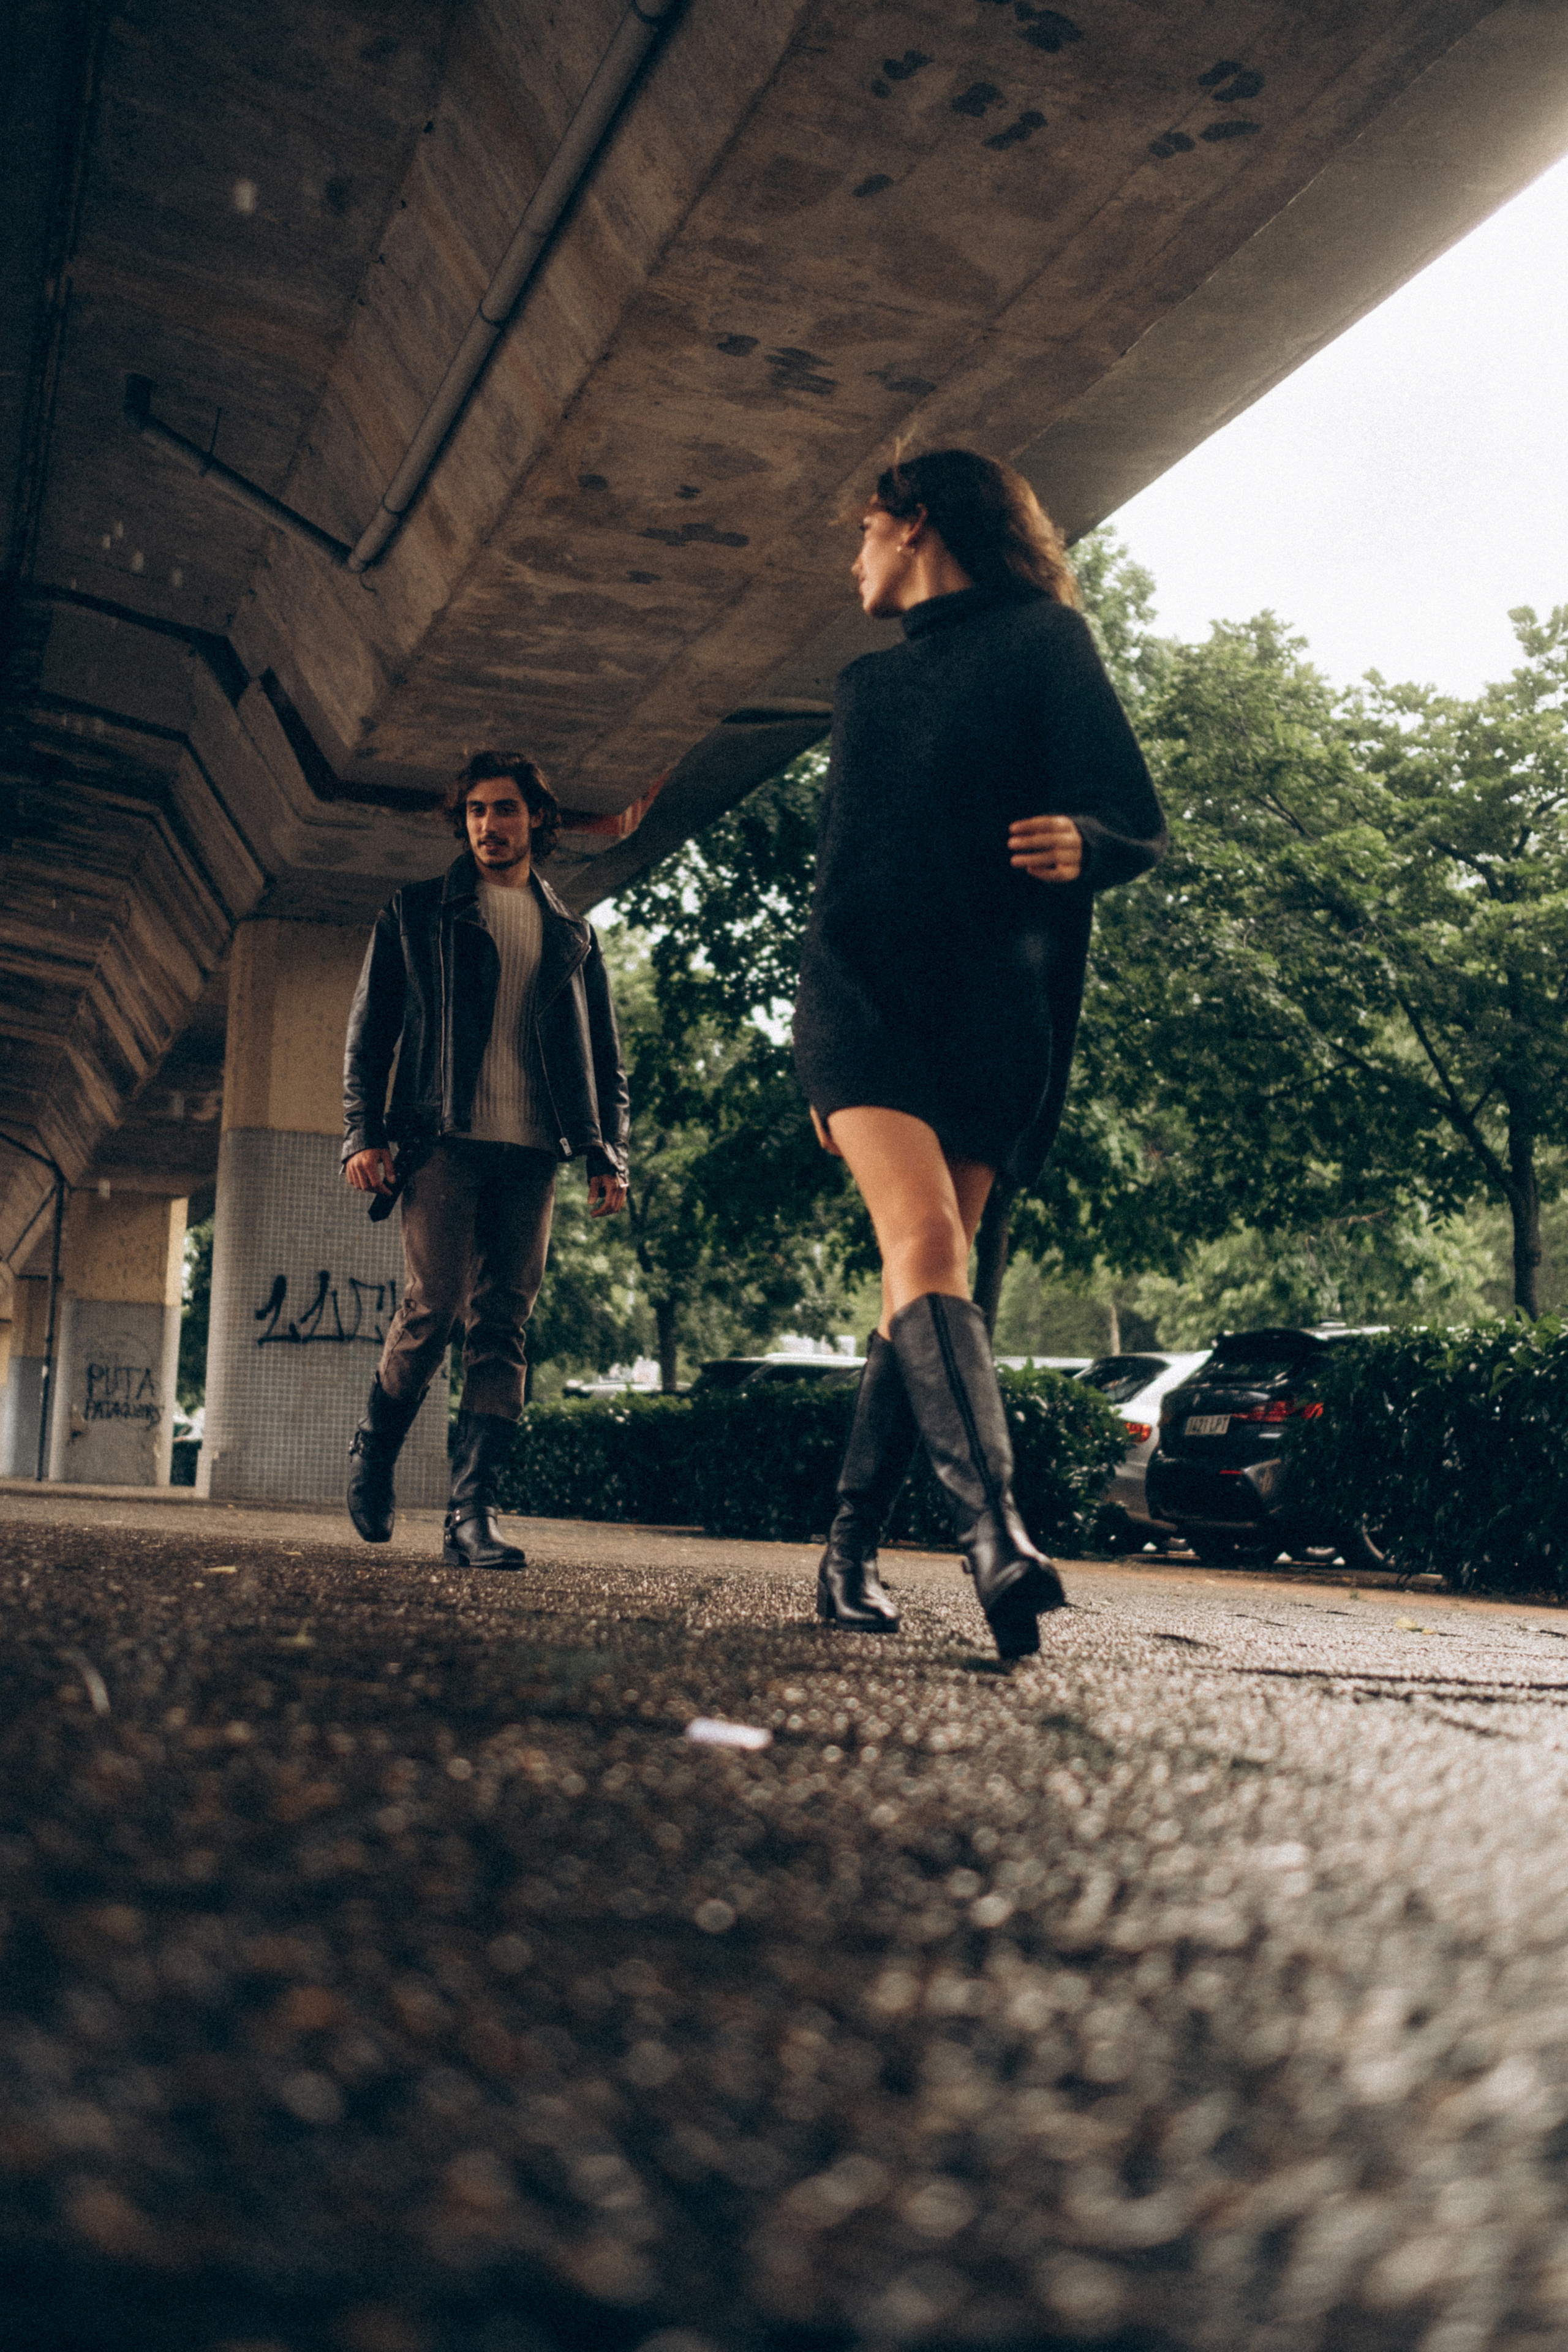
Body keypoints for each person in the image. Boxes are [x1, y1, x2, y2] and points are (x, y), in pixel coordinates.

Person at [794, 449, 1166, 1659]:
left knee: (928, 1280)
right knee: (926, 1245)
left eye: (863, 529)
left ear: (913, 524)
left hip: (990, 1015)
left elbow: (1134, 817)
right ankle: (995, 1540)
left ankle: (848, 1552)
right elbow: (837, 883)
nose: (854, 558)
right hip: (863, 1009)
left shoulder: (1045, 643)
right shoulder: (863, 686)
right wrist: (816, 1063)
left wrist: (1085, 842)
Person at [341, 753, 628, 1568]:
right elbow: (371, 1031)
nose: (487, 826)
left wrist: (608, 1153)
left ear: (537, 819)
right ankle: (375, 1452)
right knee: (433, 1308)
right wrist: (363, 1132)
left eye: (504, 809)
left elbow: (604, 1059)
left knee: (503, 1324)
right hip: (444, 1141)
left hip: (533, 1150)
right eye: (474, 811)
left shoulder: (572, 934)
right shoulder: (417, 912)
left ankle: (473, 1514)